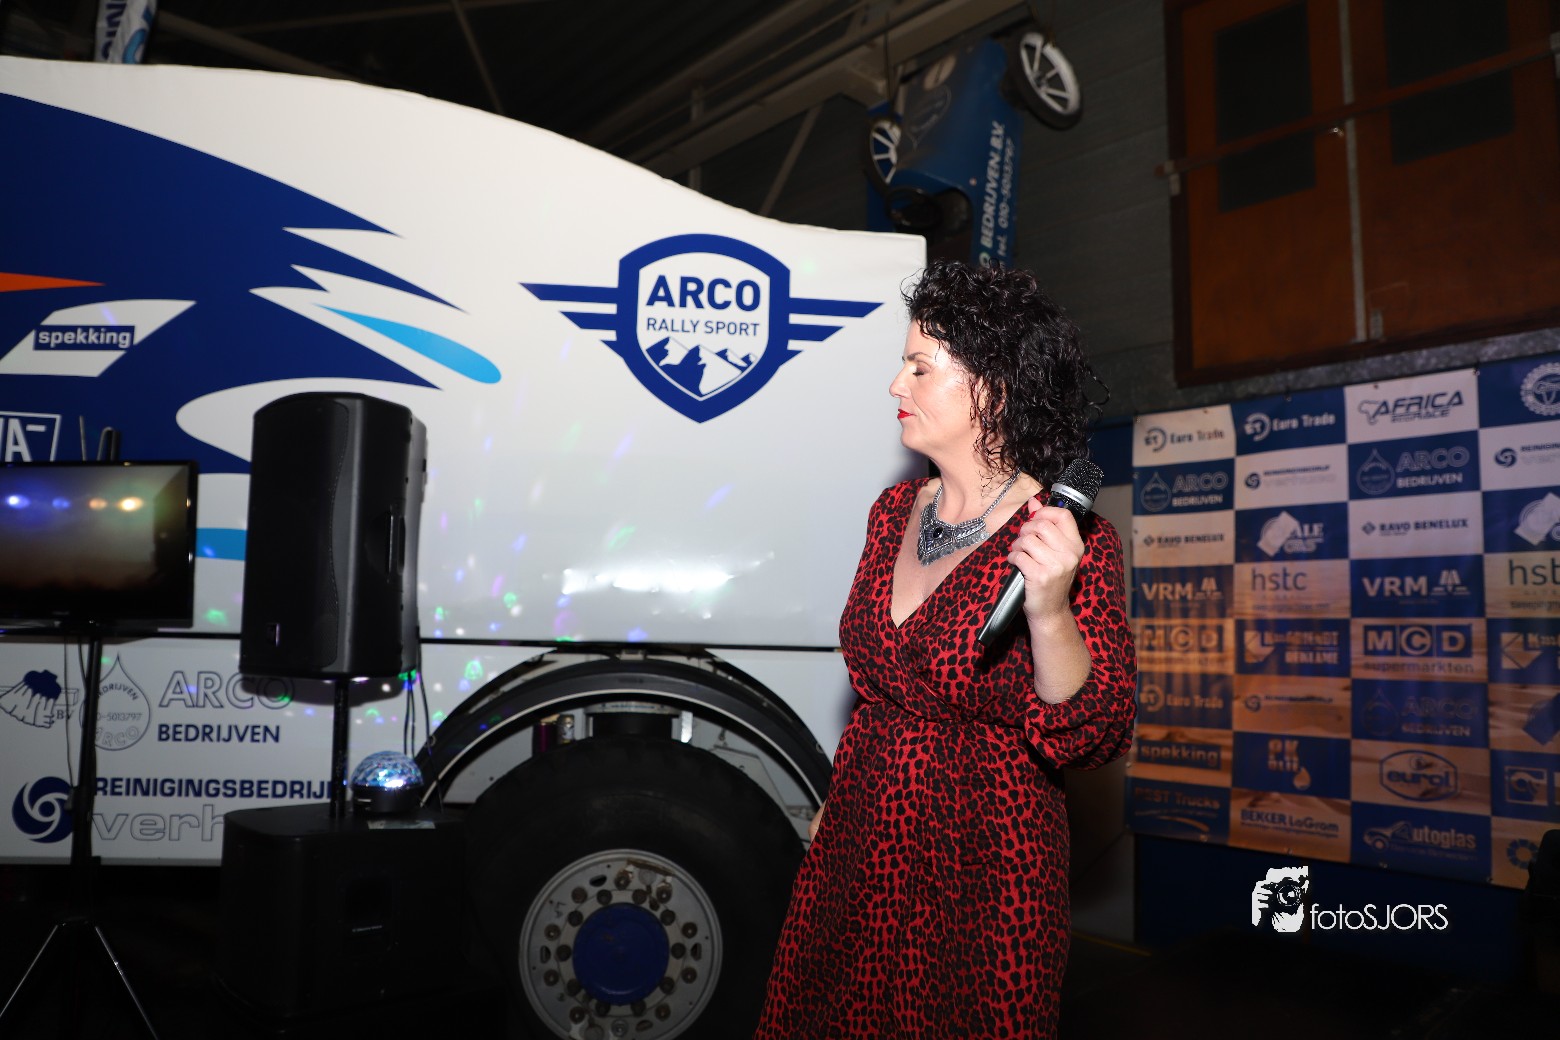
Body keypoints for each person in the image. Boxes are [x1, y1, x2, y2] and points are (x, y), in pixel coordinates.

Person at [753, 260, 1137, 1039]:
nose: (896, 385)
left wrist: (1050, 609)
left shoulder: (1067, 538)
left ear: (992, 386)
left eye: (920, 367)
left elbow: (1093, 733)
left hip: (983, 869)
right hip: (858, 845)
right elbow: (879, 694)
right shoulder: (891, 510)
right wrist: (836, 809)